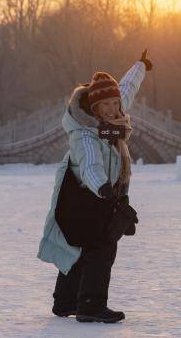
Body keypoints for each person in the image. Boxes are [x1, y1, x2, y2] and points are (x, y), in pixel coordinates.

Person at [37, 50, 153, 323]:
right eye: (107, 106)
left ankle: (65, 302)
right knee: (101, 245)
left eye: (115, 104)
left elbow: (126, 89)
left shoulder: (113, 122)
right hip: (82, 194)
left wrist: (140, 66)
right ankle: (90, 306)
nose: (114, 109)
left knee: (82, 245)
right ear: (95, 109)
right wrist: (104, 189)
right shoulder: (86, 133)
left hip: (98, 195)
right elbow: (90, 165)